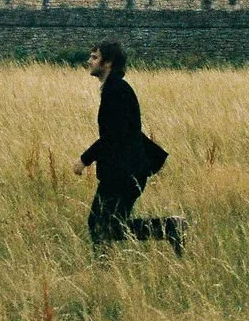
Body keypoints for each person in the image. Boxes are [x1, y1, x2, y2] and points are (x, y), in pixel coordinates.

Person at [74, 40, 185, 255]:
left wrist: (84, 160)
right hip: (126, 169)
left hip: (125, 171)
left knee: (100, 225)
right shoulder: (113, 88)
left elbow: (114, 136)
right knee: (106, 225)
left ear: (108, 62)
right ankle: (170, 227)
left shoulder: (116, 91)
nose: (89, 61)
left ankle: (171, 227)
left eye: (95, 57)